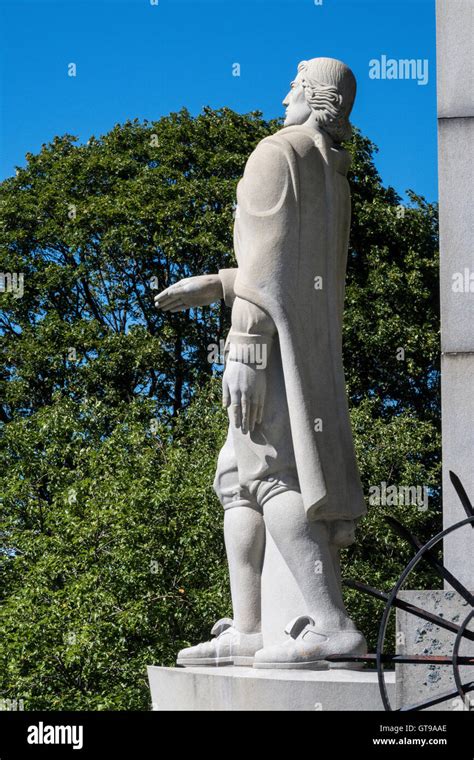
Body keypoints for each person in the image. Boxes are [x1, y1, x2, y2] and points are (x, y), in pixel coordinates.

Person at [155, 58, 367, 669]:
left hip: (265, 347)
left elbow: (271, 260)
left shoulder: (276, 153)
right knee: (236, 476)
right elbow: (289, 270)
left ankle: (331, 624)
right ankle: (249, 627)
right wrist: (218, 283)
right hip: (303, 348)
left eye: (294, 87)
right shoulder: (332, 174)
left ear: (313, 96)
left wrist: (244, 345)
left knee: (267, 472)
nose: (283, 97)